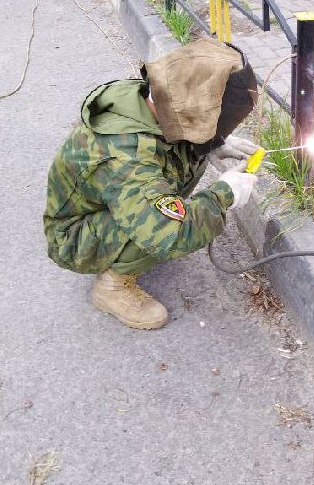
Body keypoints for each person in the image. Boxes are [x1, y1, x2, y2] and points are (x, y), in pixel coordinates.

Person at [44, 38, 260, 329]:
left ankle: (140, 233)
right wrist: (224, 195)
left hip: (112, 199)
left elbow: (176, 135)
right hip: (72, 238)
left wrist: (213, 142)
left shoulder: (154, 100)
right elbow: (171, 233)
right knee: (164, 226)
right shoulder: (127, 158)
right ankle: (112, 287)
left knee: (191, 157)